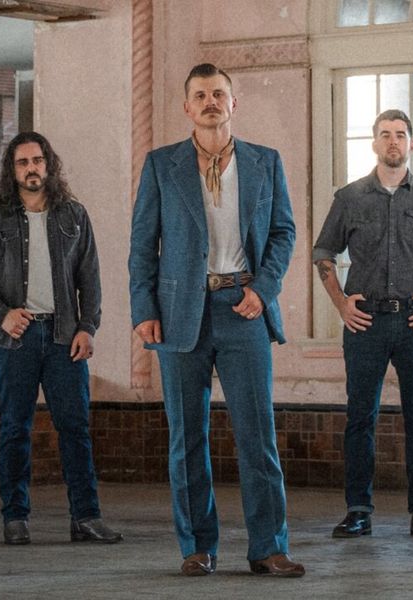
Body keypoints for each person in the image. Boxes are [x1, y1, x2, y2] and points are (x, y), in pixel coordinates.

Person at [128, 63, 303, 578]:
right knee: (187, 438)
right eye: (201, 95)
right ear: (187, 107)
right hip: (180, 313)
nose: (211, 102)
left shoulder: (265, 161)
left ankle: (269, 547)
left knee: (257, 435)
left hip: (243, 308)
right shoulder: (162, 165)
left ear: (233, 103)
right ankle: (197, 547)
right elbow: (142, 245)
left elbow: (284, 233)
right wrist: (144, 310)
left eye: (219, 94)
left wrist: (263, 290)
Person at [0, 131, 122, 546]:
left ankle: (86, 517)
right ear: (12, 170)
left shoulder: (73, 215)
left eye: (37, 160)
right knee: (15, 428)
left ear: (48, 165)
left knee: (75, 427)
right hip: (14, 339)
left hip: (64, 337)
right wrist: (2, 315)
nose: (31, 168)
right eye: (23, 162)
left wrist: (88, 327)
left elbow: (90, 277)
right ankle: (15, 518)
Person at [313, 109, 413, 541]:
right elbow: (323, 253)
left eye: (400, 134)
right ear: (375, 144)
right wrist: (340, 304)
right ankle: (358, 510)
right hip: (366, 323)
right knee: (361, 417)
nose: (393, 141)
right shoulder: (350, 198)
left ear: (411, 144)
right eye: (385, 134)